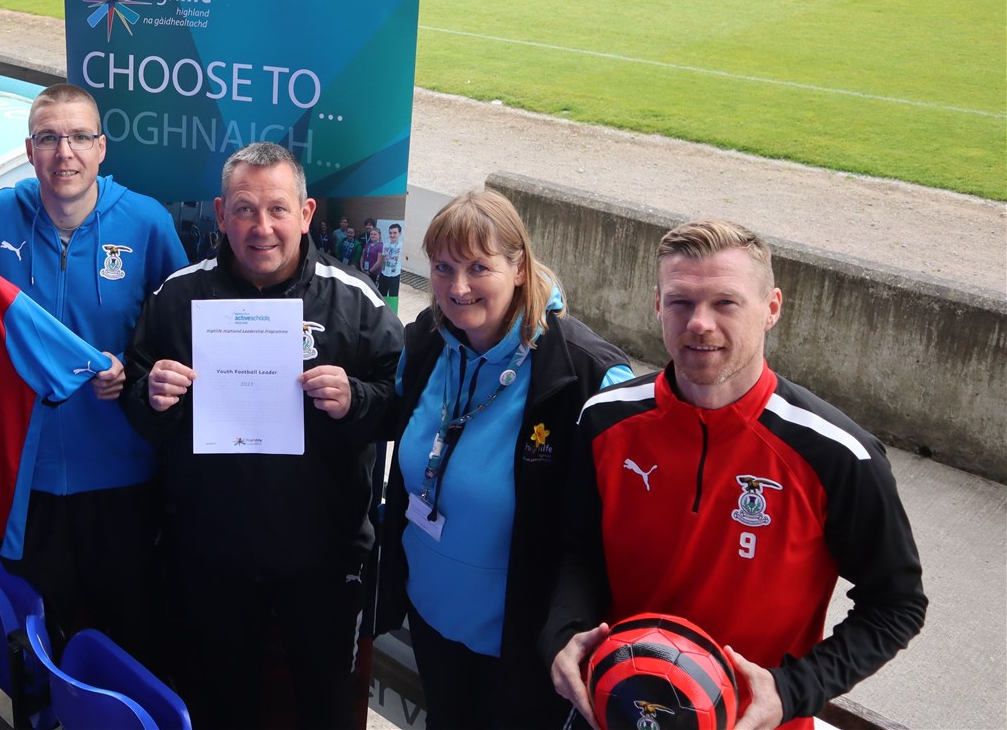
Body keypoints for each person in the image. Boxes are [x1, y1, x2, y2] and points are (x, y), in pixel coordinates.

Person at [543, 220, 927, 730]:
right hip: (614, 710)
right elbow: (578, 552)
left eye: (725, 302)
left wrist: (793, 691)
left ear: (771, 309)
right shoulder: (604, 419)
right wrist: (563, 634)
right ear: (658, 305)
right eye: (680, 302)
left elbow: (897, 602)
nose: (699, 323)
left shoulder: (837, 453)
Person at [121, 142, 402, 730]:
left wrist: (358, 399)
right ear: (221, 214)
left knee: (326, 708)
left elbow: (400, 405)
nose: (262, 227)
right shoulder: (176, 297)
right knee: (221, 706)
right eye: (245, 209)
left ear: (306, 214)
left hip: (323, 563)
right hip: (209, 558)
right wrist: (152, 395)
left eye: (278, 209)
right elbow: (137, 403)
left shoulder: (356, 302)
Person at [0, 83, 186, 658]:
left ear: (102, 148)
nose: (64, 153)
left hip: (123, 475)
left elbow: (182, 334)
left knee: (127, 633)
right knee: (39, 635)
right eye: (49, 138)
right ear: (30, 150)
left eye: (78, 137)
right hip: (24, 478)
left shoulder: (147, 223)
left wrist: (132, 367)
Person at [375, 190, 633, 729]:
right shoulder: (425, 340)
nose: (457, 286)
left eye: (478, 267)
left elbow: (605, 536)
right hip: (430, 617)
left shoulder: (586, 375)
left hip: (523, 646)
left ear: (520, 268)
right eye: (443, 268)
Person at [378, 222, 405, 301]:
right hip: (384, 274)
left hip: (395, 275)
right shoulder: (385, 245)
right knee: (382, 296)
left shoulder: (402, 245)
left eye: (395, 233)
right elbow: (382, 259)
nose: (392, 235)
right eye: (390, 233)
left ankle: (392, 312)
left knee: (393, 297)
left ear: (399, 233)